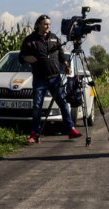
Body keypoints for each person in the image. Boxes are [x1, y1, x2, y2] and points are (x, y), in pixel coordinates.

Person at [19, 14, 82, 143]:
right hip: (40, 79)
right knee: (37, 106)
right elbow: (21, 57)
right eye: (45, 24)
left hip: (55, 78)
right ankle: (34, 134)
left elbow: (61, 55)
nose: (48, 26)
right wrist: (26, 58)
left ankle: (70, 129)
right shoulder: (30, 40)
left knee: (63, 103)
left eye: (49, 24)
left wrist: (66, 65)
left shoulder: (54, 38)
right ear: (38, 25)